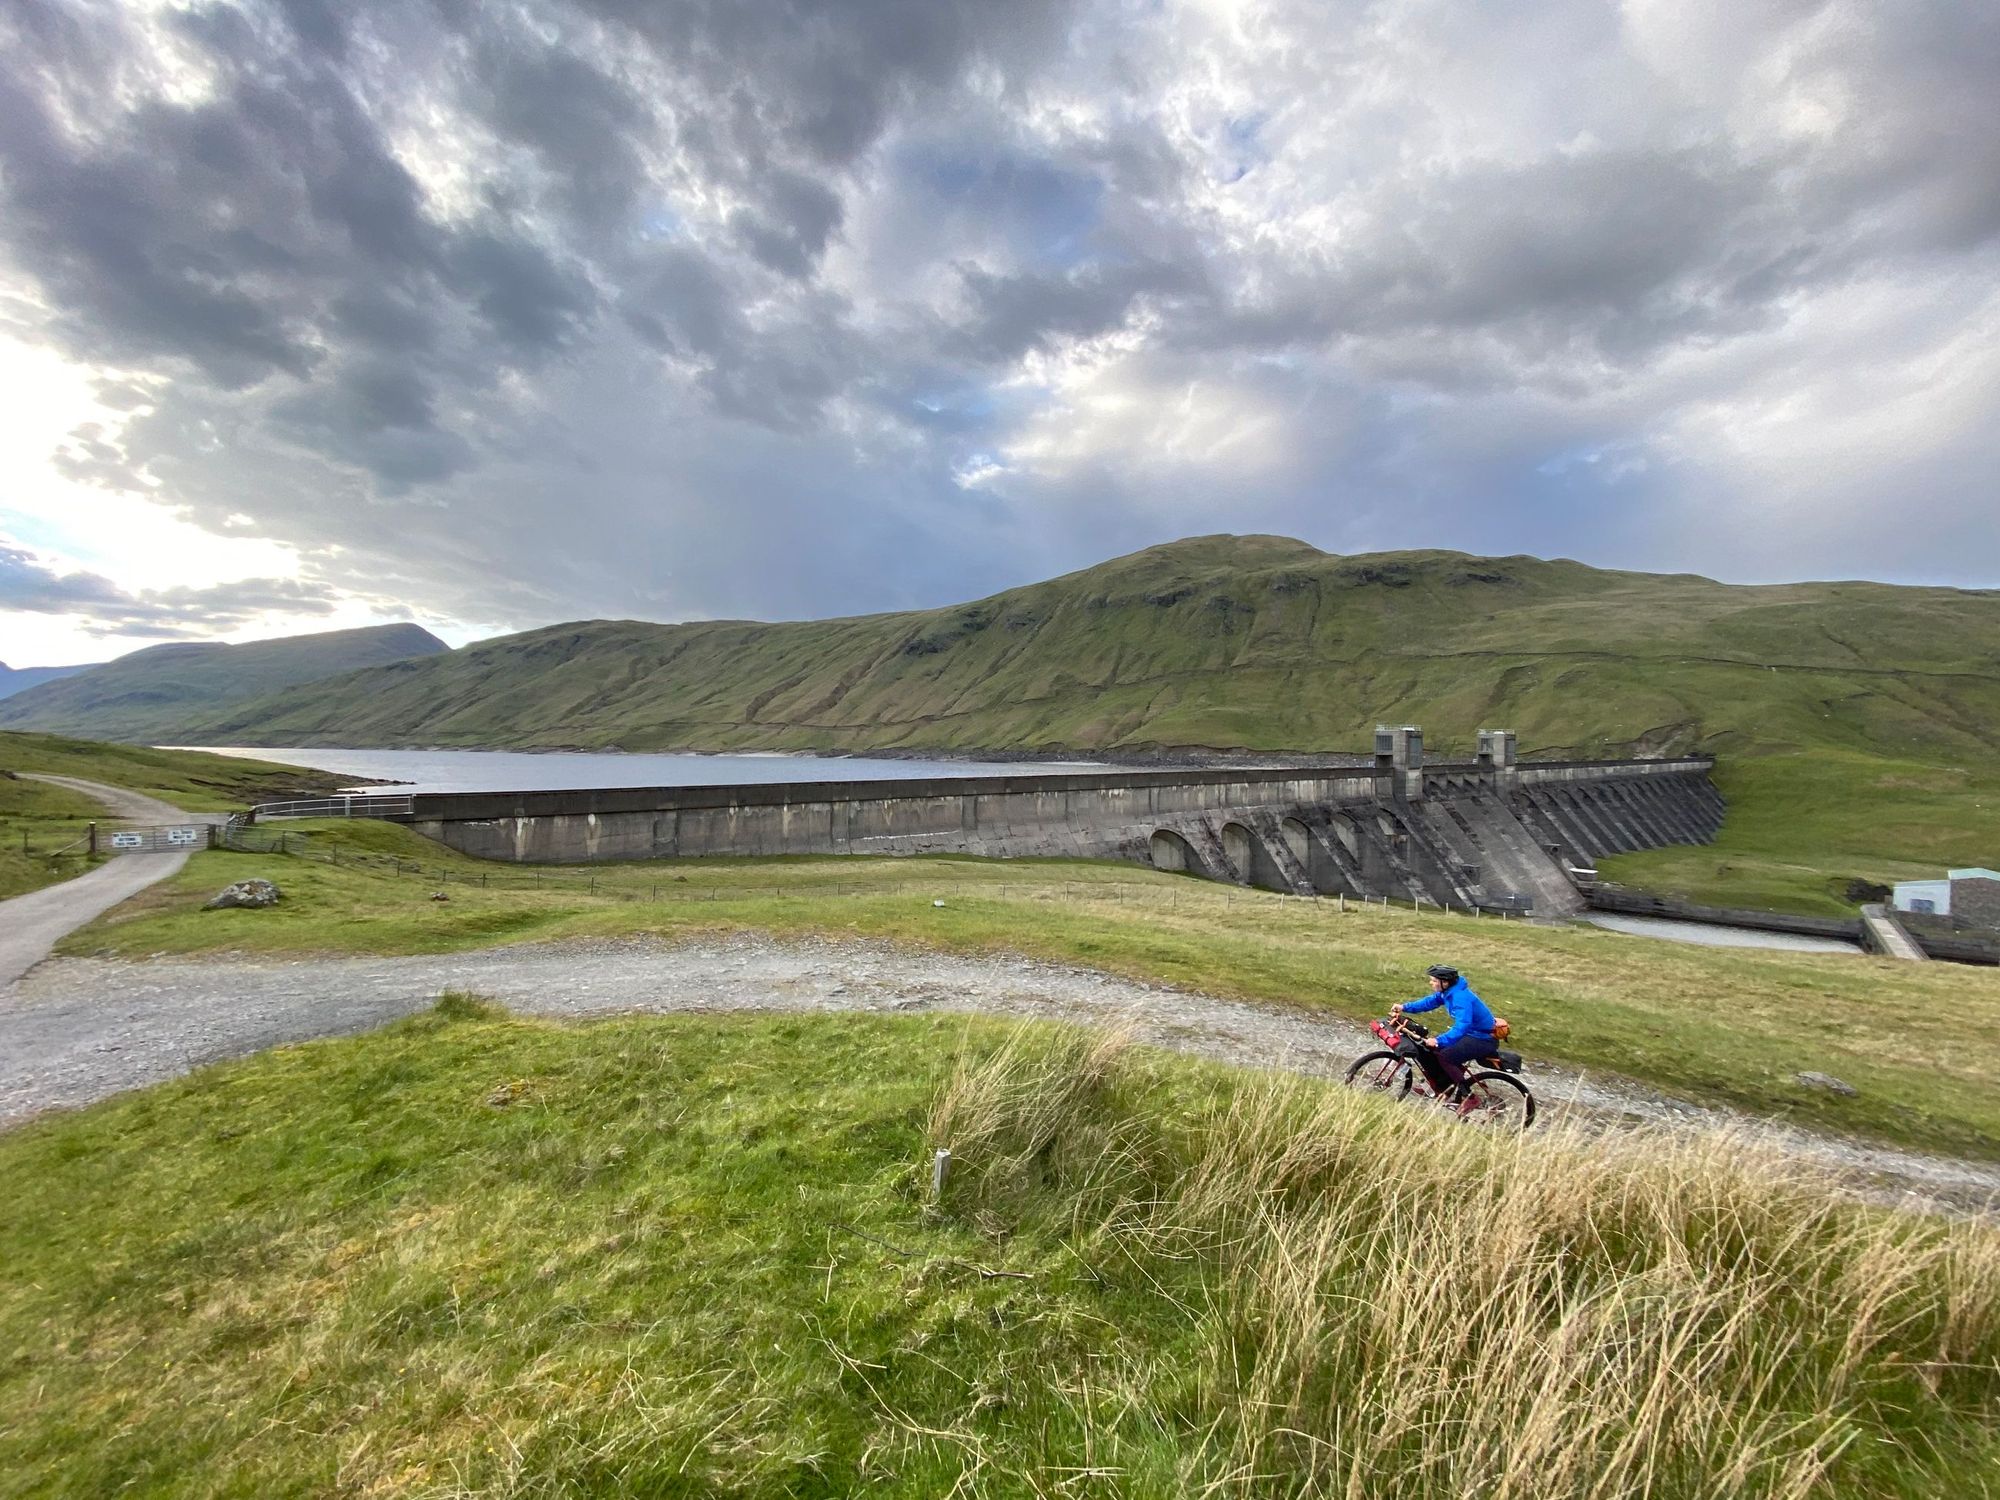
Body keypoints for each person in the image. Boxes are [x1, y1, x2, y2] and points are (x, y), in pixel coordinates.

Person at [1391, 963, 1498, 1101]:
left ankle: (1470, 1098)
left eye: (1434, 980)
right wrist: (1404, 1007)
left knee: (1445, 1056)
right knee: (1432, 1050)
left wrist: (1439, 1040)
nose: (1431, 983)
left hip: (1482, 1038)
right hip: (1471, 1033)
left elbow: (1463, 1025)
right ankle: (1443, 1087)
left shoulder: (1460, 997)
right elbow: (1429, 1002)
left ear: (1445, 982)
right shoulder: (1447, 992)